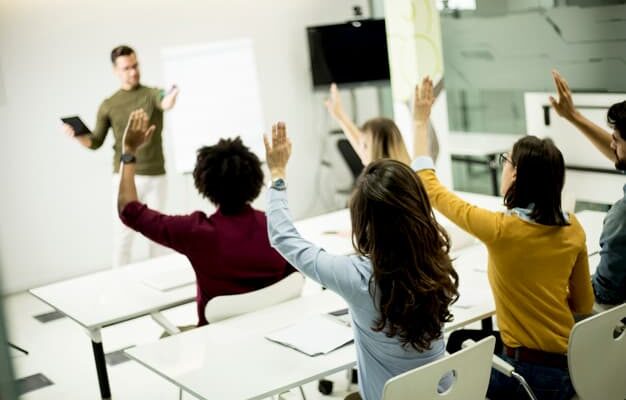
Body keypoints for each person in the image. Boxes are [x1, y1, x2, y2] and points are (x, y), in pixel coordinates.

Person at [411, 77, 594, 400]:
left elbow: (431, 188)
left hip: (523, 377)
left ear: (517, 175)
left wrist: (420, 121)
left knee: (452, 359)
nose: (503, 168)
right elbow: (583, 304)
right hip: (570, 369)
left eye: (506, 161)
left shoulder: (501, 230)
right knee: (465, 341)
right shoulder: (573, 228)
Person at [264, 122, 459, 400]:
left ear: (364, 221)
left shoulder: (358, 278)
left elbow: (283, 237)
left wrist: (277, 174)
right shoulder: (435, 258)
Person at [117, 110, 294, 326]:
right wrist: (279, 169)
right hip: (276, 338)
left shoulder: (197, 232)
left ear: (204, 184)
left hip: (216, 346)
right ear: (256, 178)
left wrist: (129, 151)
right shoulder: (276, 225)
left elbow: (129, 210)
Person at [63, 45, 180, 267]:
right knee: (124, 235)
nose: (133, 72)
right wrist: (76, 135)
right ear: (116, 71)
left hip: (156, 175)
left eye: (135, 66)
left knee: (158, 236)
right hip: (126, 176)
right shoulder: (109, 105)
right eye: (127, 68)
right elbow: (95, 142)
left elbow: (165, 101)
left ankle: (159, 280)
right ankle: (120, 283)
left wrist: (172, 95)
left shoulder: (152, 93)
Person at [550, 70, 626, 308]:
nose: (611, 143)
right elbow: (617, 152)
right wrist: (573, 116)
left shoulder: (621, 217)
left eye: (617, 139)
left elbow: (605, 291)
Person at [325, 83, 411, 165]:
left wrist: (340, 115)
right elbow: (360, 142)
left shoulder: (380, 178)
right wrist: (339, 115)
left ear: (380, 152)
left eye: (365, 146)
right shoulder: (404, 170)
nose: (360, 149)